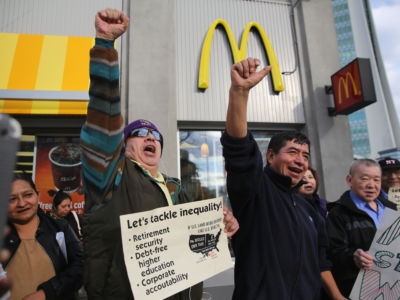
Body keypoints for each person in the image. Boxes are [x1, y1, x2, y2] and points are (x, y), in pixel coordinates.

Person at [80, 8, 238, 300]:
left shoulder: (177, 190)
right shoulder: (113, 177)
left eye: (156, 136)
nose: (150, 137)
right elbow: (103, 121)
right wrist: (104, 46)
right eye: (139, 134)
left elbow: (195, 249)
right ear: (122, 147)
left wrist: (220, 228)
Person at [220, 57, 329, 299]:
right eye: (292, 152)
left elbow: (317, 265)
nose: (300, 161)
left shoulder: (307, 208)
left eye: (305, 156)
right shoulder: (256, 191)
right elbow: (238, 150)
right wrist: (239, 92)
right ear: (270, 156)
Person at [4, 173, 83, 300]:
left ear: (37, 195)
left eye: (27, 195)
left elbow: (80, 265)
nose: (22, 203)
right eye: (11, 199)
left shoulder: (60, 228)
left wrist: (47, 293)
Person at [326, 159, 397, 297]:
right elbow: (332, 253)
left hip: (393, 287)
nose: (371, 185)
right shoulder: (338, 213)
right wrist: (353, 256)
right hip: (359, 290)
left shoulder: (392, 209)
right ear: (350, 180)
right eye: (364, 179)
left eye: (376, 180)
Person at [298, 167, 346, 300]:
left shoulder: (327, 206)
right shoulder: (295, 207)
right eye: (302, 179)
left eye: (310, 177)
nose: (307, 181)